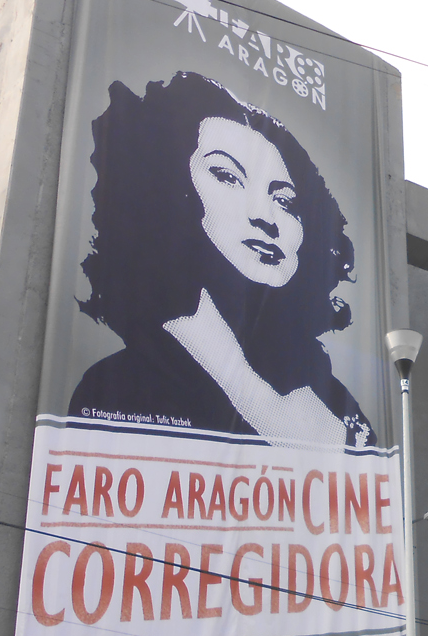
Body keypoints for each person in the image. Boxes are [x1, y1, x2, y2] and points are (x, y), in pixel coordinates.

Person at [70, 71, 374, 448]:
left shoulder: (333, 398)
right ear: (173, 190)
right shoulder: (120, 387)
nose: (265, 216)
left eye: (284, 200)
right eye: (227, 177)